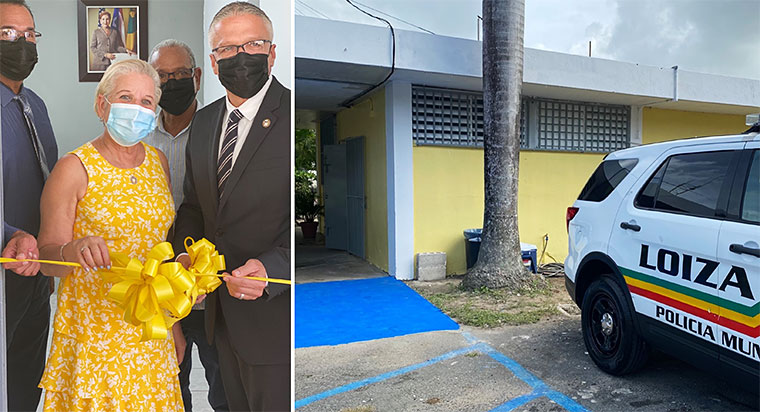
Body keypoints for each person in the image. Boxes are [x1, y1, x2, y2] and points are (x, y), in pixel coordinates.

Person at [36, 59, 184, 411]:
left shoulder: (158, 162)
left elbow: (159, 253)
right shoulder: (73, 169)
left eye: (147, 101)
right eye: (126, 97)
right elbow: (45, 260)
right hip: (93, 336)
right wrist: (72, 250)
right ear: (102, 105)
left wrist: (173, 325)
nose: (137, 109)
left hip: (150, 333)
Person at [173, 2, 290, 411]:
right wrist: (183, 253)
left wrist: (274, 269)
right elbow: (194, 206)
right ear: (213, 59)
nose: (241, 57)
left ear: (272, 53)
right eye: (227, 48)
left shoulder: (291, 115)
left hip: (274, 323)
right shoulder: (203, 123)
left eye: (253, 44)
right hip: (217, 319)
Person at [146, 39, 229, 412]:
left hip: (209, 284)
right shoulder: (139, 135)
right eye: (163, 76)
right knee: (169, 387)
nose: (173, 82)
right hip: (157, 285)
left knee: (223, 385)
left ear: (197, 76)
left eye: (180, 74)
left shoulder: (219, 129)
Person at [0, 1, 58, 410]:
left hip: (36, 273)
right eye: (8, 34)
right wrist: (11, 236)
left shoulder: (34, 105)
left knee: (27, 375)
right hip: (5, 265)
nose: (22, 44)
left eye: (29, 34)